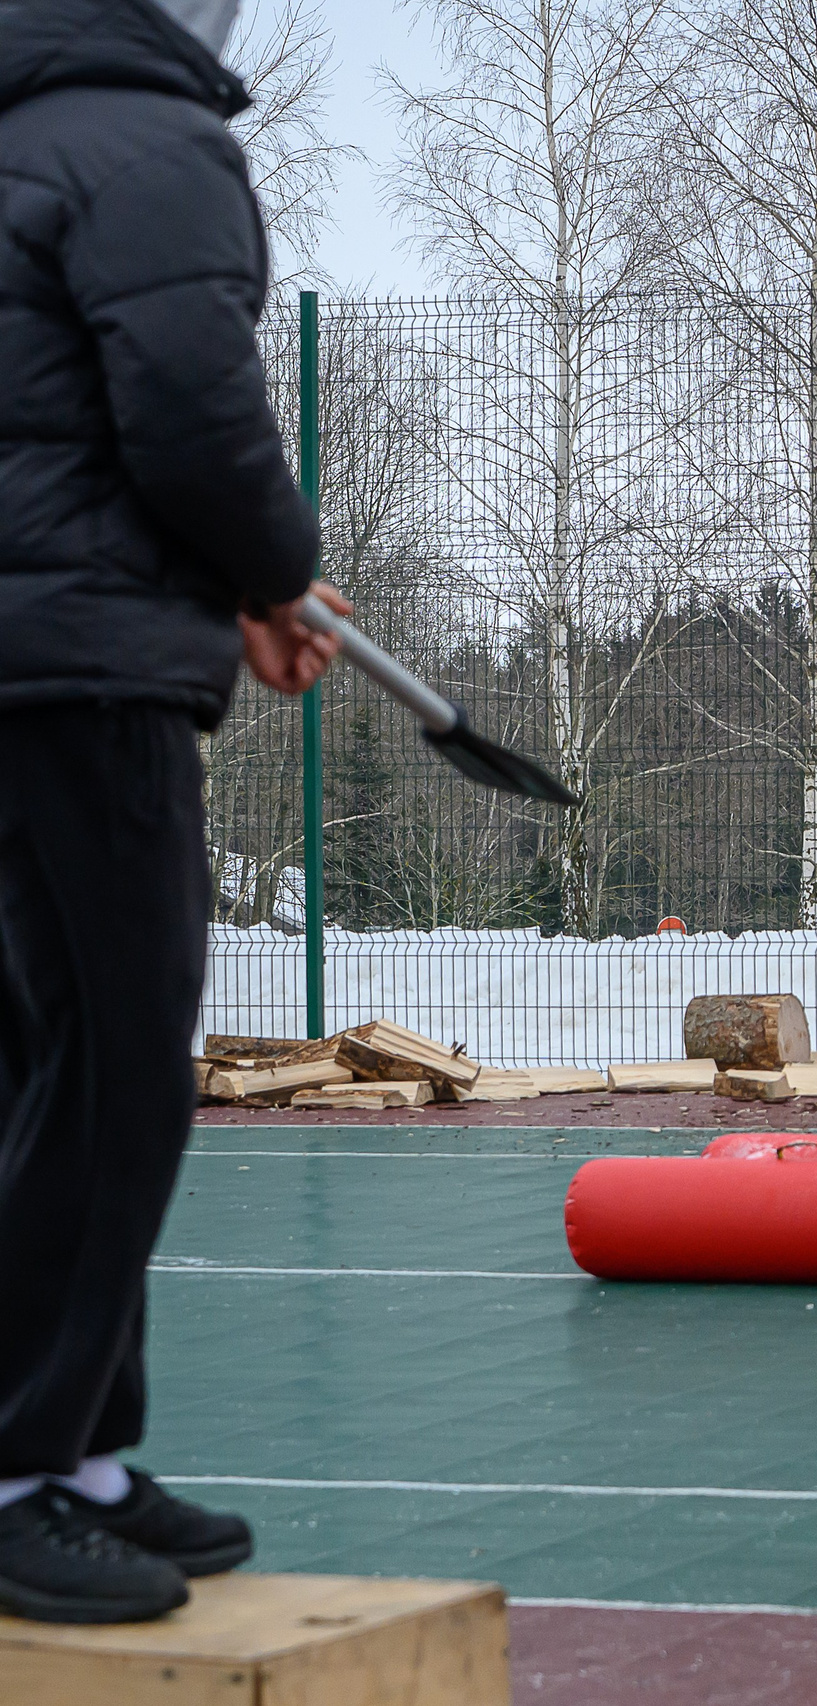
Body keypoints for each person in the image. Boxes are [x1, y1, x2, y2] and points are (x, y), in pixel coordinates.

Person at [0, 0, 348, 1623]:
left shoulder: (24, 127)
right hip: (81, 678)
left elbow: (56, 433)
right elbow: (191, 409)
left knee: (51, 1056)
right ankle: (16, 1466)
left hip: (31, 656)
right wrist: (271, 570)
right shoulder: (151, 141)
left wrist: (227, 588)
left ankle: (74, 1453)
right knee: (124, 1063)